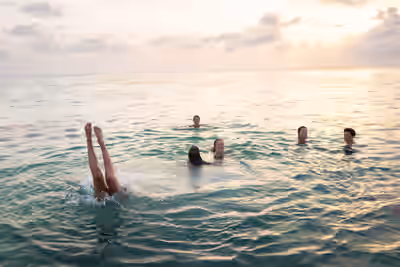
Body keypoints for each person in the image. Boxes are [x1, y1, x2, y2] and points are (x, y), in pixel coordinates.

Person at [85, 122, 121, 200]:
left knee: (110, 178)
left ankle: (101, 142)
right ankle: (89, 139)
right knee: (98, 175)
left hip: (115, 199)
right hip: (104, 201)